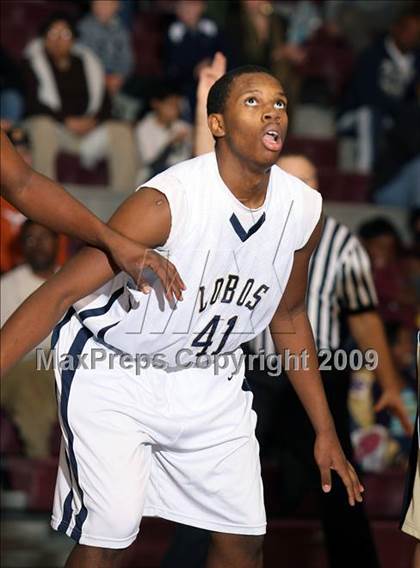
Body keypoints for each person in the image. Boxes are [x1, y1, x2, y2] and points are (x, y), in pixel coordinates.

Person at [0, 66, 363, 568]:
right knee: (109, 537)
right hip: (115, 372)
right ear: (217, 124)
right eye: (253, 102)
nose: (273, 111)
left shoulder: (303, 209)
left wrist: (325, 429)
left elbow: (290, 314)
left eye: (279, 102)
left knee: (242, 541)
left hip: (208, 375)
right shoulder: (165, 204)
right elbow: (59, 293)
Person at [0, 129, 184, 301]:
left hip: (50, 275)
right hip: (12, 274)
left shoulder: (41, 195)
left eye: (24, 152)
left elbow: (25, 185)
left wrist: (114, 242)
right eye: (16, 152)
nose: (20, 158)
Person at [22, 12, 137, 192]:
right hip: (56, 128)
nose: (59, 39)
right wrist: (66, 121)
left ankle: (121, 201)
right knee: (42, 126)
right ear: (44, 39)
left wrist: (92, 121)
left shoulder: (89, 63)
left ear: (74, 39)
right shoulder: (32, 64)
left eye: (65, 34)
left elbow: (105, 102)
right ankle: (45, 199)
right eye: (53, 34)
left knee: (122, 132)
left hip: (89, 129)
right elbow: (32, 103)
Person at [1, 220, 59, 458]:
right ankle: (39, 470)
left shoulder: (74, 280)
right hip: (21, 367)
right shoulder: (8, 286)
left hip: (62, 363)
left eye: (43, 237)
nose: (37, 245)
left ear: (57, 241)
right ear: (22, 247)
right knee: (32, 384)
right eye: (30, 239)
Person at [135, 82, 192, 184]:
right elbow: (152, 164)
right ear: (156, 104)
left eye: (177, 105)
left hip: (181, 177)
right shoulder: (145, 128)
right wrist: (170, 145)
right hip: (153, 179)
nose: (175, 110)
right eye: (170, 104)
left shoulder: (182, 126)